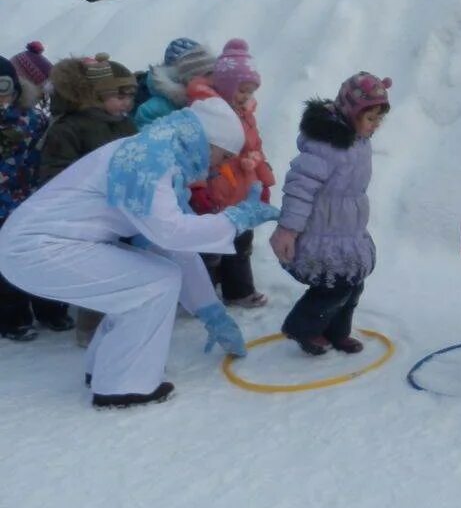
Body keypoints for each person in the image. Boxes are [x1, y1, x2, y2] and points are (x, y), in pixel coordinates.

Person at [0, 97, 280, 408]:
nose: (219, 165)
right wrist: (235, 219)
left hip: (48, 245)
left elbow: (173, 248)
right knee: (153, 284)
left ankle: (109, 368)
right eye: (223, 155)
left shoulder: (159, 156)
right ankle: (122, 385)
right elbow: (172, 233)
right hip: (37, 248)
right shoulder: (149, 159)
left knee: (147, 280)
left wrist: (211, 313)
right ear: (205, 142)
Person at [270, 73, 390, 356]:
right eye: (370, 118)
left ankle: (338, 332)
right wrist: (288, 229)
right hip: (322, 232)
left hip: (347, 229)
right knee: (333, 288)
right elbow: (299, 190)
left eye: (378, 119)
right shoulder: (325, 146)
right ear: (351, 113)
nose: (375, 125)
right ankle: (302, 327)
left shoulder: (359, 140)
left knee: (353, 286)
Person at [38, 54, 140, 347]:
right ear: (96, 95)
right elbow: (55, 172)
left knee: (125, 266)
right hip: (88, 215)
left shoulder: (124, 125)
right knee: (99, 271)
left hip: (123, 210)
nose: (126, 104)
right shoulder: (68, 127)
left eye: (130, 96)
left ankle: (123, 317)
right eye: (118, 97)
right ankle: (90, 328)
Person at [189, 39, 274, 309]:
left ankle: (238, 291)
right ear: (226, 85)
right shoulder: (206, 113)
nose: (246, 96)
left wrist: (264, 181)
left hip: (242, 188)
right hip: (217, 190)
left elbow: (256, 146)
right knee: (211, 247)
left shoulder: (246, 113)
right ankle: (200, 295)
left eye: (250, 91)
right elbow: (195, 154)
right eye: (242, 90)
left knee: (241, 241)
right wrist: (198, 187)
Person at [0, 52, 73, 340]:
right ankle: (13, 318)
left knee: (43, 257)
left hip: (33, 202)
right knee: (5, 267)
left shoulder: (32, 118)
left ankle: (52, 309)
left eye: (3, 87)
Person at [133, 38, 216, 128]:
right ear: (187, 78)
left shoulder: (216, 94)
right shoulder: (151, 111)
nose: (212, 80)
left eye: (213, 72)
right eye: (206, 74)